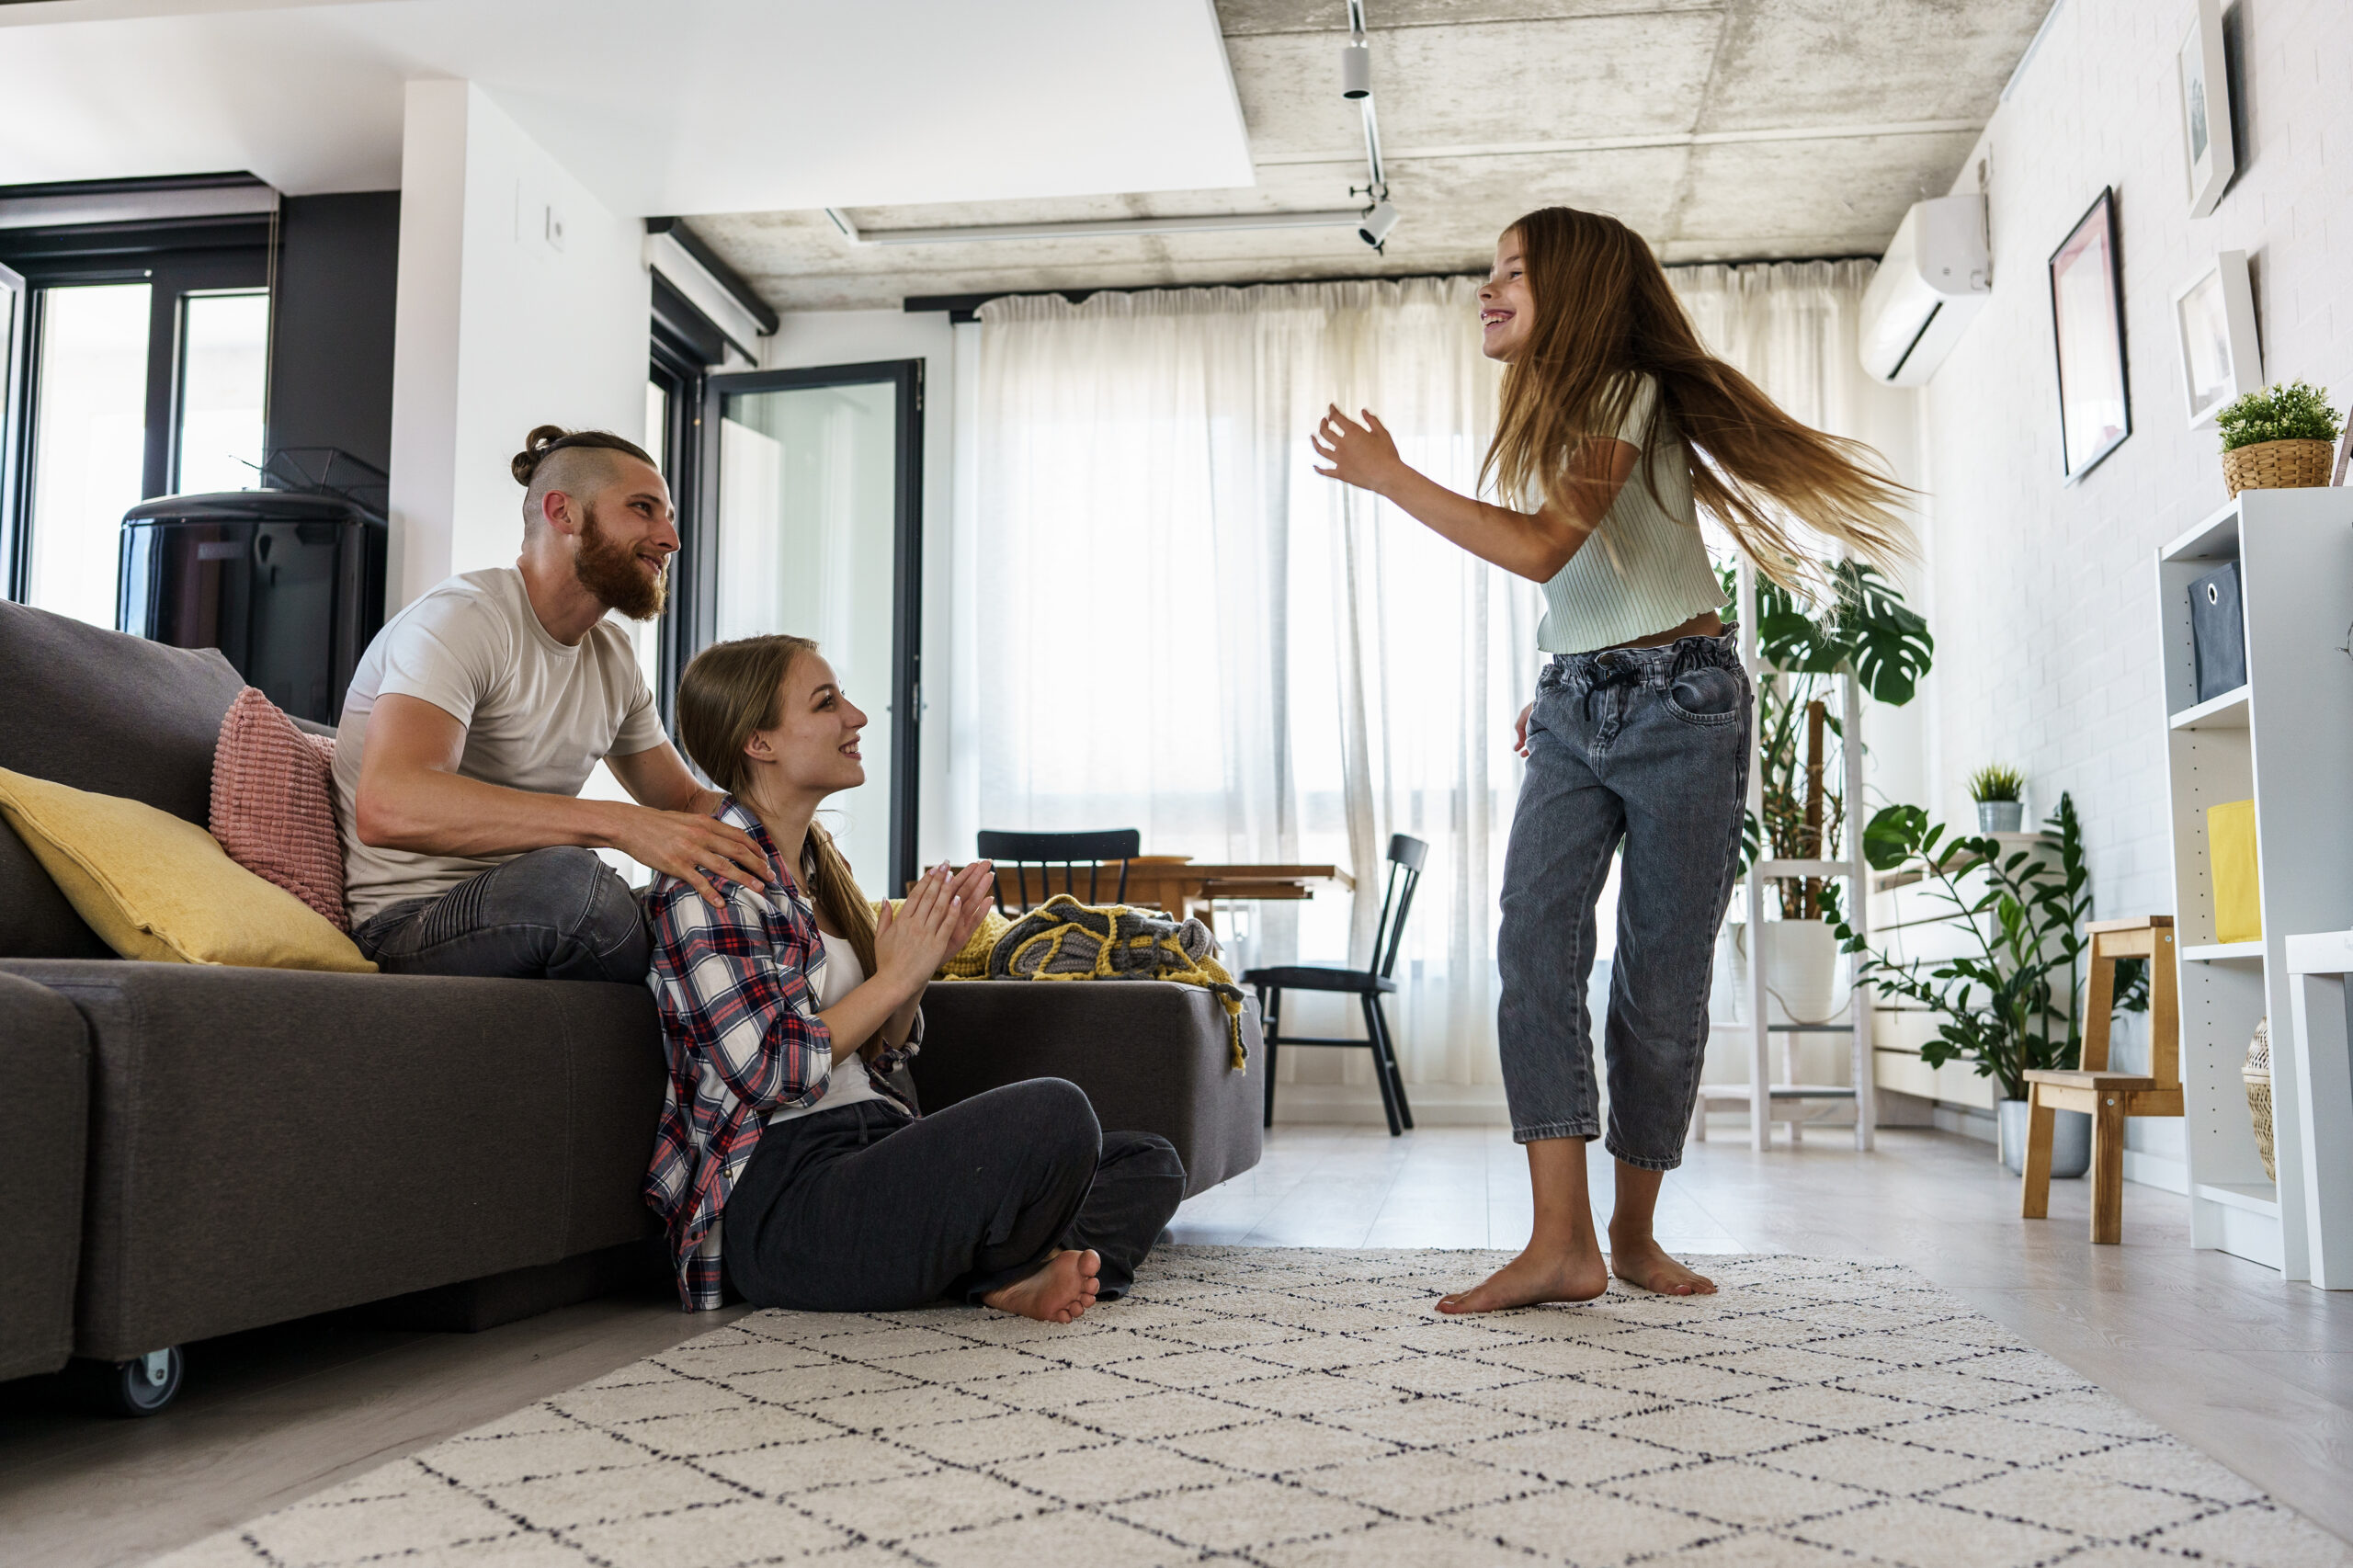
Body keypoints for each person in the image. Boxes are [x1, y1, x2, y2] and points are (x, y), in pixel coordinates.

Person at [1312, 207, 1911, 1311]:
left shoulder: (1629, 388)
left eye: (1514, 274)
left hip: (1685, 702)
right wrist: (1563, 681)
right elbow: (1577, 583)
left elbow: (1545, 545)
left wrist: (1393, 477)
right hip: (1576, 701)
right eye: (1488, 273)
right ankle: (1560, 1243)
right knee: (1532, 943)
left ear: (1577, 293)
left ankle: (1630, 1234)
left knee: (1657, 977)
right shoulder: (1550, 411)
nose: (1487, 291)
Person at [642, 632, 1188, 1320]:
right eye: (827, 703)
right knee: (1057, 1115)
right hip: (790, 1205)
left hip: (876, 1147)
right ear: (760, 742)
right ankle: (1008, 1267)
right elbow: (768, 1072)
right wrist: (895, 979)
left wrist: (919, 969)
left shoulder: (819, 874)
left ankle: (1001, 1272)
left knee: (1151, 1161)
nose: (858, 718)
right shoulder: (707, 886)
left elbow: (881, 1055)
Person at [336, 426, 768, 981]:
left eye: (670, 516)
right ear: (562, 512)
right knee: (575, 886)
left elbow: (682, 801)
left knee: (721, 904)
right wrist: (617, 825)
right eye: (643, 509)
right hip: (410, 920)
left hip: (538, 902)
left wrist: (787, 839)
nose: (670, 540)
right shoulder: (464, 619)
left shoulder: (612, 656)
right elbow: (389, 803)